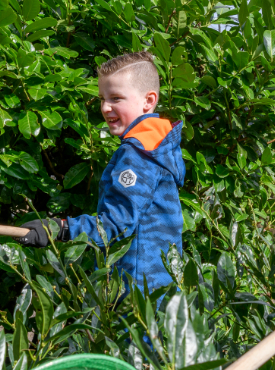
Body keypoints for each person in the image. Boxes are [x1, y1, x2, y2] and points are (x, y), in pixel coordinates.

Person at [18, 51, 185, 294]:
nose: (105, 107)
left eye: (116, 98)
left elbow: (116, 224)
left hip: (138, 293)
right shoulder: (158, 147)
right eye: (102, 98)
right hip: (162, 289)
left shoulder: (138, 154)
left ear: (148, 101)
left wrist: (60, 229)